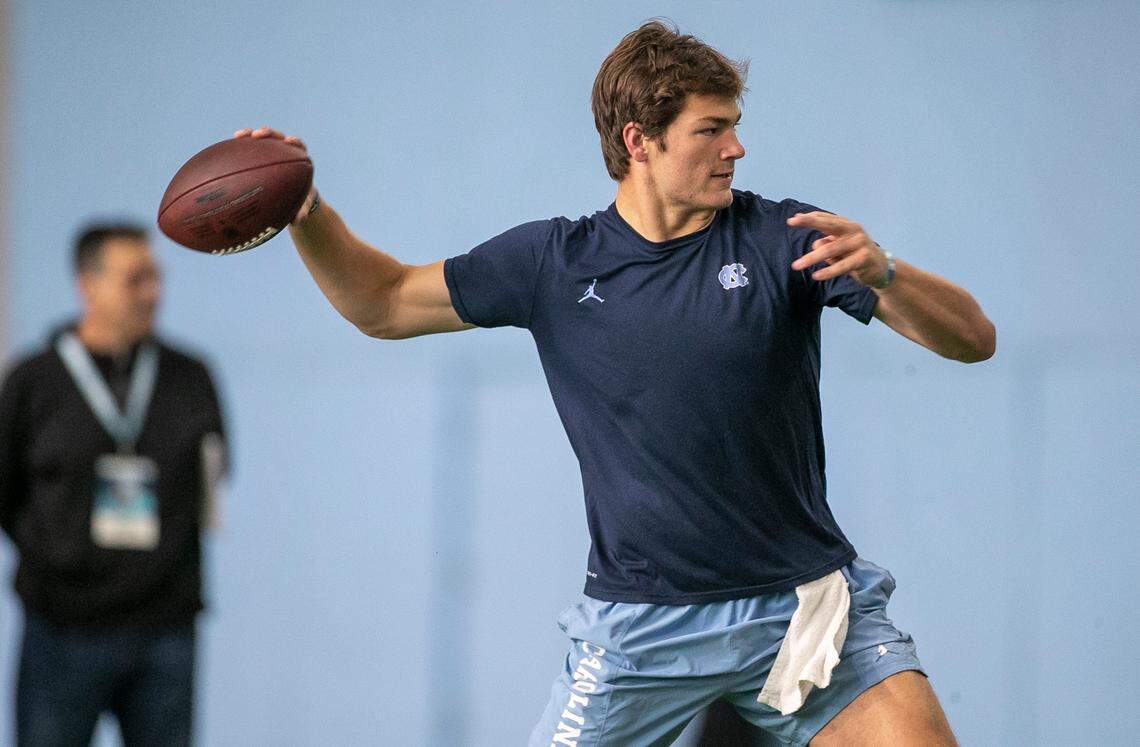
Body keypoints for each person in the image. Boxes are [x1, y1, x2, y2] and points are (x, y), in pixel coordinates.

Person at [238, 19, 993, 746]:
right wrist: (305, 213)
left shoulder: (786, 239)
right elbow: (384, 301)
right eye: (710, 129)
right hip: (641, 628)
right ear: (639, 140)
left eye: (733, 123)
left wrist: (887, 273)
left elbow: (973, 340)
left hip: (804, 608)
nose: (737, 146)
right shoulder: (553, 264)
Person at [0, 223, 228, 746]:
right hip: (61, 629)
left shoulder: (192, 378)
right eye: (136, 279)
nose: (154, 293)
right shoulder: (34, 383)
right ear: (87, 285)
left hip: (165, 631)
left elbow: (212, 482)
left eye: (157, 278)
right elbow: (6, 492)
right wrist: (58, 561)